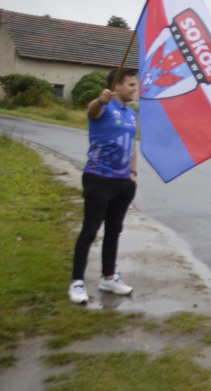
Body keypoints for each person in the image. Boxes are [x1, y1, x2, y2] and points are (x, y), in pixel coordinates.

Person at [69, 68, 139, 304]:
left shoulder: (130, 114)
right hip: (98, 179)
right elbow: (92, 110)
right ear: (117, 85)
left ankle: (108, 277)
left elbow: (132, 145)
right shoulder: (102, 106)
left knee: (113, 230)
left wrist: (132, 172)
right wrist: (100, 100)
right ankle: (77, 281)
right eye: (131, 84)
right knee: (90, 230)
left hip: (123, 182)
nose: (134, 88)